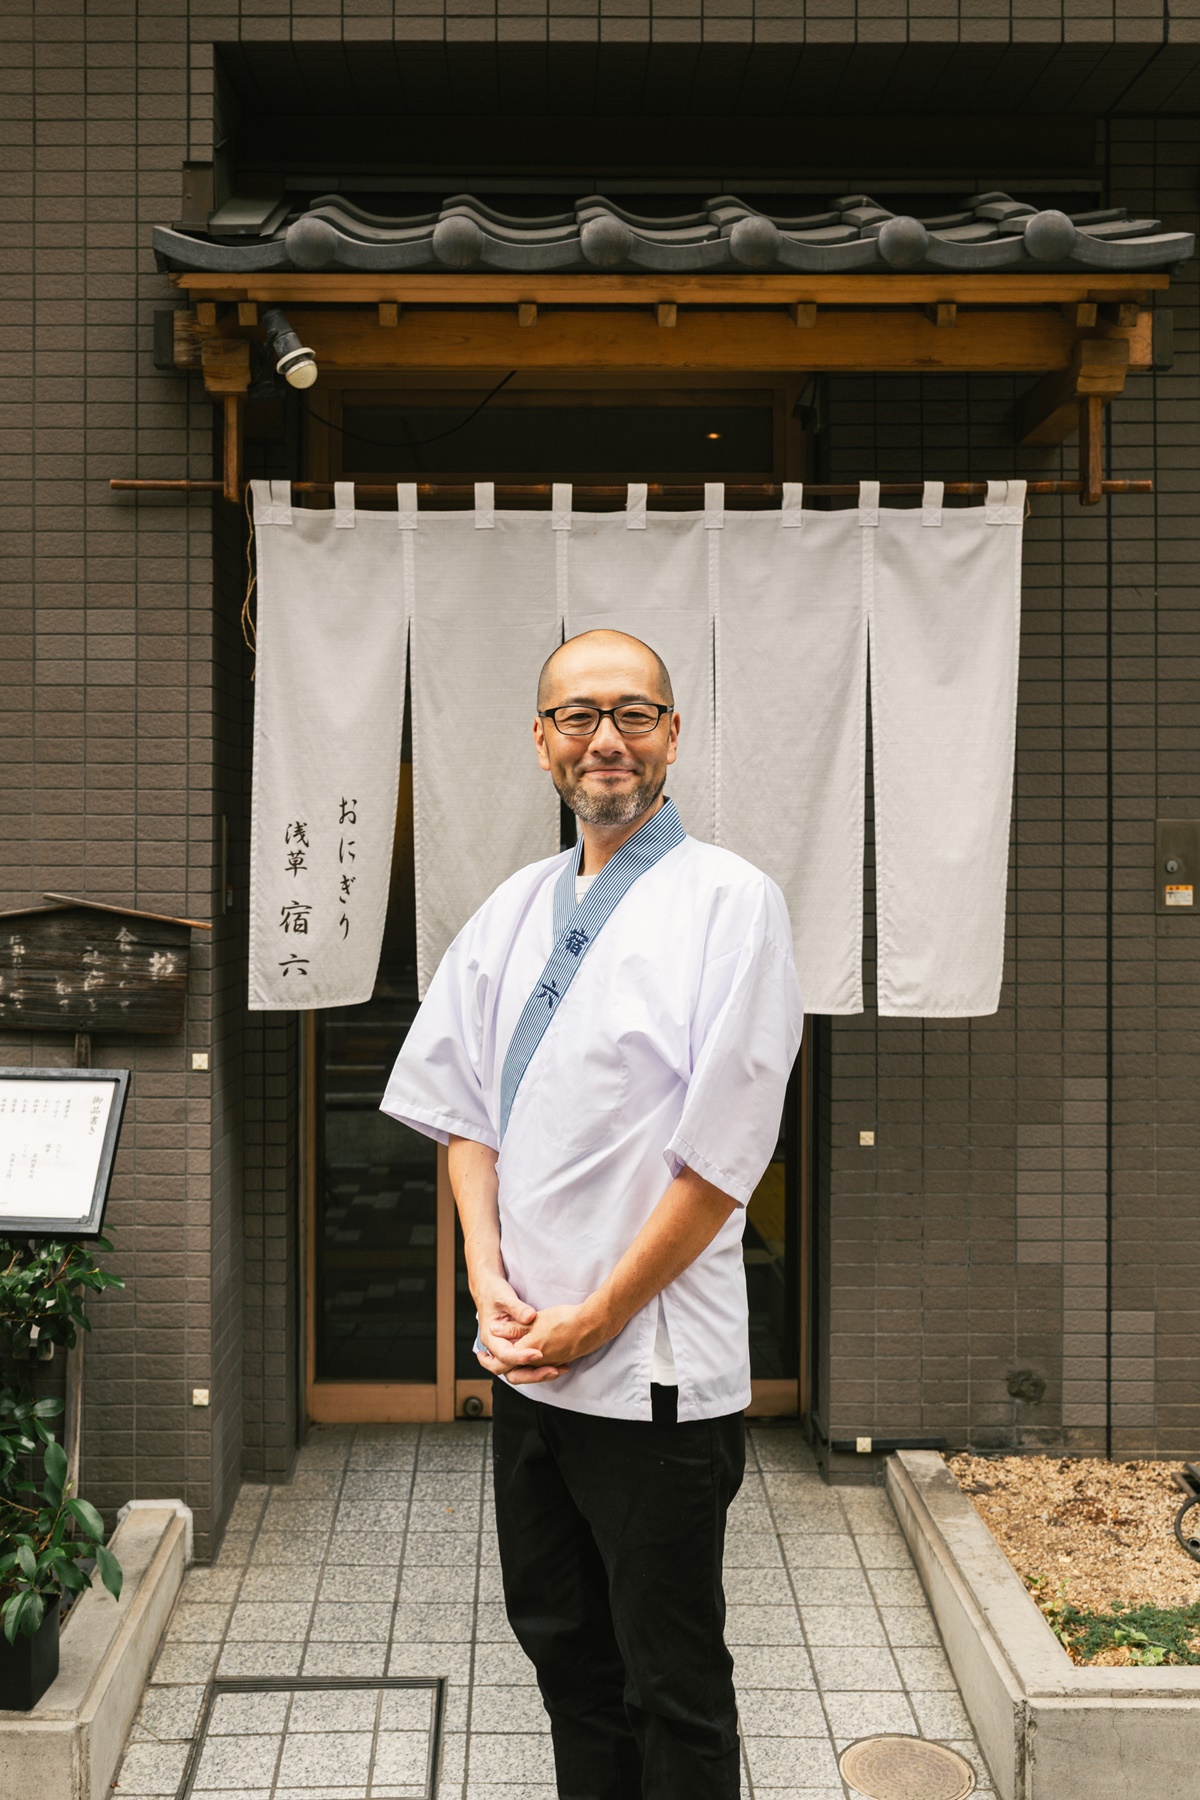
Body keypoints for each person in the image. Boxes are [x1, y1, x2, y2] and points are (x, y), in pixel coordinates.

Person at [381, 627, 804, 1800]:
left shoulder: (732, 903)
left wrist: (599, 1315)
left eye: (631, 714)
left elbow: (721, 1163)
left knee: (672, 1681)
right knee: (565, 1653)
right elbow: (464, 1110)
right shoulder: (514, 909)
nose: (603, 738)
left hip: (652, 1374)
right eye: (577, 716)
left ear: (672, 736)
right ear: (540, 742)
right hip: (530, 1368)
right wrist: (487, 1276)